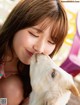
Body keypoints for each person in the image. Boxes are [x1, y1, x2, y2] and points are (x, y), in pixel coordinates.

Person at [0, 0, 68, 105]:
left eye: (50, 42)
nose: (40, 48)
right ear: (17, 24)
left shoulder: (37, 73)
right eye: (34, 34)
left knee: (13, 90)